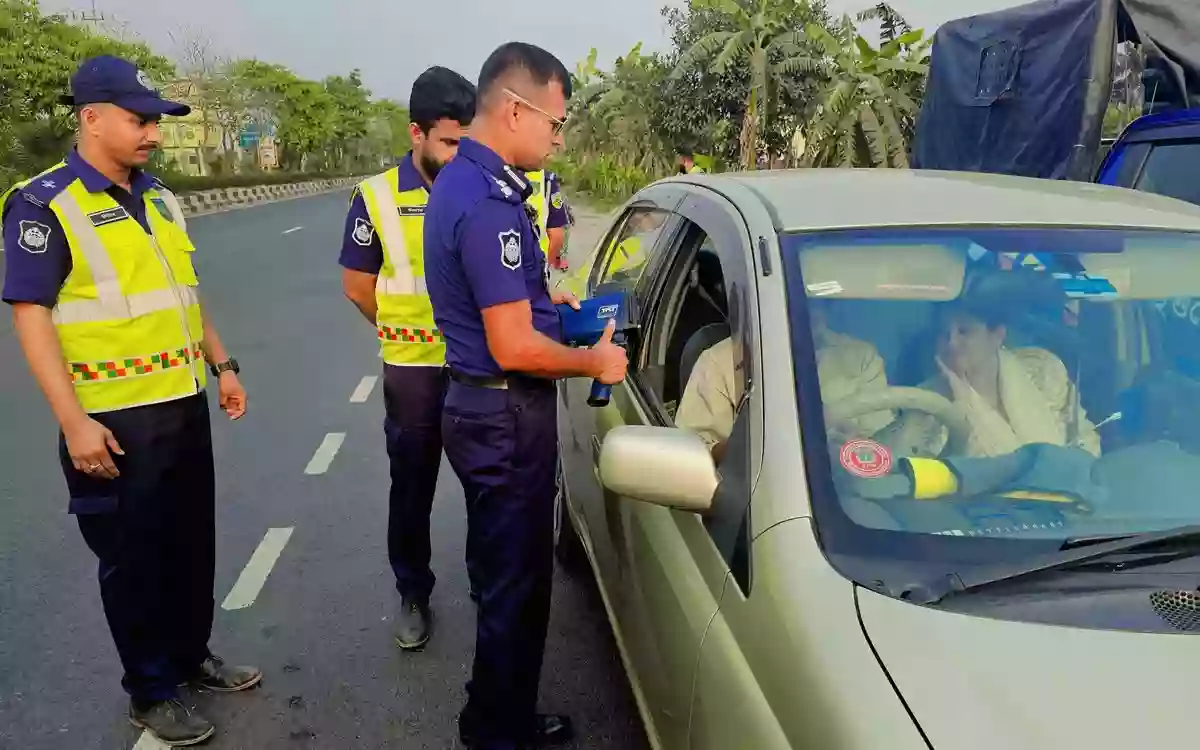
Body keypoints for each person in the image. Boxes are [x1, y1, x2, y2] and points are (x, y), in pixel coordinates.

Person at [1, 55, 260, 746]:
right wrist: (73, 422)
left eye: (156, 122)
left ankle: (190, 656)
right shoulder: (45, 204)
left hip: (182, 402)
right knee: (132, 560)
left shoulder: (161, 198)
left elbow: (185, 294)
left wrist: (222, 365)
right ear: (91, 118)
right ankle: (150, 690)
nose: (153, 134)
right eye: (139, 120)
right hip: (112, 421)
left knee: (190, 546)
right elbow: (31, 317)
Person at [423, 42, 628, 749]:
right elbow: (512, 347)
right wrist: (593, 361)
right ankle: (497, 733)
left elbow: (505, 307)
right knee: (515, 585)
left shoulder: (472, 183)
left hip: (484, 407)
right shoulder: (487, 202)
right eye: (556, 122)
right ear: (515, 110)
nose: (559, 138)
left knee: (503, 576)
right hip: (504, 413)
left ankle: (496, 716)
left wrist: (546, 300)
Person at [338, 66, 476, 651]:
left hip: (476, 368)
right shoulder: (376, 198)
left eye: (467, 141)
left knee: (485, 483)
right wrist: (398, 328)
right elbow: (357, 286)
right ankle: (413, 593)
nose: (459, 154)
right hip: (413, 371)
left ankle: (487, 584)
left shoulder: (478, 187)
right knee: (413, 487)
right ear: (416, 133)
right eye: (448, 142)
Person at [677, 302, 894, 462]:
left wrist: (851, 442)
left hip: (849, 488)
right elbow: (692, 455)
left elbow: (884, 440)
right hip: (759, 493)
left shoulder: (860, 357)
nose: (807, 311)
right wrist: (767, 447)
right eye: (796, 302)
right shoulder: (720, 361)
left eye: (817, 303)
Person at [886, 301, 1101, 458]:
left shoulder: (1042, 371)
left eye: (964, 331)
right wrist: (961, 399)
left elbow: (1085, 444)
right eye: (943, 334)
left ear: (997, 334)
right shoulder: (923, 404)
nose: (952, 343)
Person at [523, 168, 570, 269]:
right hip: (536, 262)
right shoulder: (547, 180)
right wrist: (544, 269)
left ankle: (562, 258)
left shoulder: (548, 181)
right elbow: (557, 235)